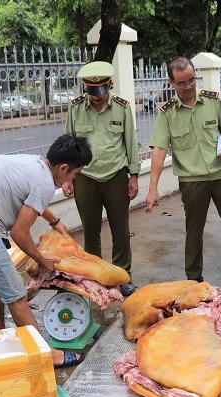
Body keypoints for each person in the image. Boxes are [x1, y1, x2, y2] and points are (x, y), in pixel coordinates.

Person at [0, 133, 93, 368]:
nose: (74, 179)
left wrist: (54, 221)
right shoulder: (44, 183)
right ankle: (47, 355)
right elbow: (19, 233)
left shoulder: (37, 164)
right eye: (75, 174)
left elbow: (30, 197)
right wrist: (41, 258)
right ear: (64, 167)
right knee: (16, 294)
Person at [145, 57, 221, 290]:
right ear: (171, 82)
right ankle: (193, 279)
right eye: (182, 83)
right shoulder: (167, 113)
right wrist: (153, 188)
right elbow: (160, 150)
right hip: (193, 181)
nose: (189, 86)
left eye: (192, 79)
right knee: (194, 231)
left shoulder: (214, 101)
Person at [62, 61, 140, 297]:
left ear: (109, 85)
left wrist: (133, 175)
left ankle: (122, 275)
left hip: (115, 175)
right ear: (85, 88)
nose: (97, 97)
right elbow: (69, 143)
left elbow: (131, 143)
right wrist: (66, 179)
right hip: (84, 176)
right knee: (91, 230)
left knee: (120, 229)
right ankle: (95, 275)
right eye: (91, 92)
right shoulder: (75, 108)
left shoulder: (122, 107)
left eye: (101, 92)